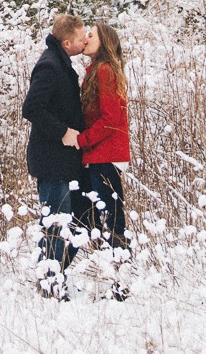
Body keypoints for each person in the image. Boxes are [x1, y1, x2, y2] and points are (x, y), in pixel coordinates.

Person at [22, 13, 88, 298]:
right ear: (66, 42)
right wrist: (63, 132)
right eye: (80, 37)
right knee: (55, 223)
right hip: (52, 160)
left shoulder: (61, 62)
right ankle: (49, 285)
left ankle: (52, 279)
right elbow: (31, 108)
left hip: (61, 161)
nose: (85, 40)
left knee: (64, 221)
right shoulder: (50, 66)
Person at [77, 20, 132, 301]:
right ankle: (112, 280)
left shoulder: (105, 71)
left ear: (104, 42)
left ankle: (119, 285)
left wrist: (82, 140)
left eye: (91, 34)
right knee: (105, 217)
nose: (85, 38)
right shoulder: (98, 71)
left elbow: (110, 120)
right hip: (101, 156)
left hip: (104, 156)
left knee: (112, 220)